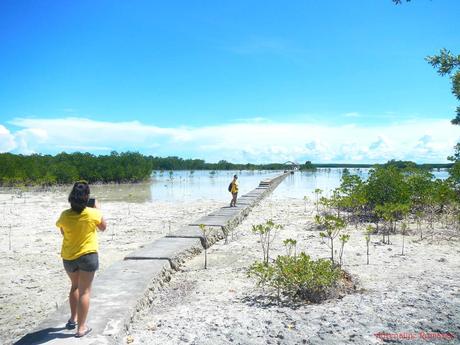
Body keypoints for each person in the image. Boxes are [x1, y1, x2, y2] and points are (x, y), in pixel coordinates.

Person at [56, 181, 107, 338]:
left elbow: (63, 232)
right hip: (88, 256)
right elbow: (103, 227)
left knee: (74, 287)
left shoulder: (65, 215)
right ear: (87, 198)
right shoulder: (93, 213)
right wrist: (97, 209)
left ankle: (73, 319)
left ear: (71, 198)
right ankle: (81, 328)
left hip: (69, 257)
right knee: (85, 291)